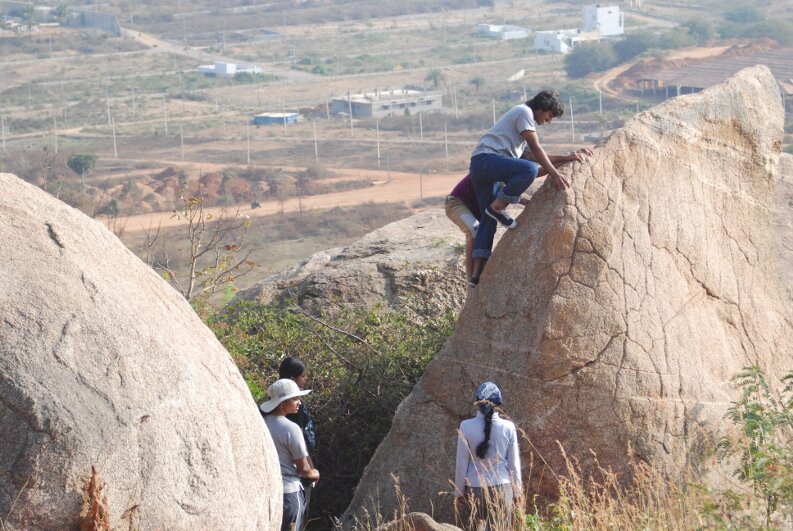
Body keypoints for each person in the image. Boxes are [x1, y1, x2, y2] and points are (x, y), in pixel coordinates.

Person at [467, 90, 592, 288]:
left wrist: (566, 159)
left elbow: (535, 163)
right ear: (542, 108)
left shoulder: (517, 137)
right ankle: (499, 206)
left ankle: (476, 277)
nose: (548, 121)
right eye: (549, 116)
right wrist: (555, 174)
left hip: (481, 167)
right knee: (527, 171)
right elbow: (536, 150)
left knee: (488, 222)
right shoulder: (524, 112)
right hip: (486, 161)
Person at [446, 146, 592, 282]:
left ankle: (478, 274)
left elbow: (540, 169)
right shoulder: (496, 166)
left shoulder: (510, 170)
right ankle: (471, 279)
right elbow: (503, 189)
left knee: (484, 229)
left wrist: (568, 159)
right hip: (457, 203)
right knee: (474, 230)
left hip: (478, 208)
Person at [454, 382, 521, 530]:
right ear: (498, 403)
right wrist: (517, 493)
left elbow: (461, 462)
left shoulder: (465, 426)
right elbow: (513, 464)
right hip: (502, 488)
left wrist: (459, 492)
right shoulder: (508, 427)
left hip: (474, 488)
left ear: (477, 402)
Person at [261, 379, 320, 531]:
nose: (299, 402)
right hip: (289, 492)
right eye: (295, 398)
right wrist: (314, 472)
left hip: (266, 491)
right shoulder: (291, 428)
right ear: (282, 403)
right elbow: (304, 469)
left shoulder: (262, 423)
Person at [277, 357, 317, 530]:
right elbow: (297, 441)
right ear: (293, 379)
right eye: (303, 376)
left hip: (290, 474)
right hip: (295, 476)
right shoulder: (289, 408)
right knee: (296, 521)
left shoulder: (280, 403)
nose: (305, 379)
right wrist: (309, 470)